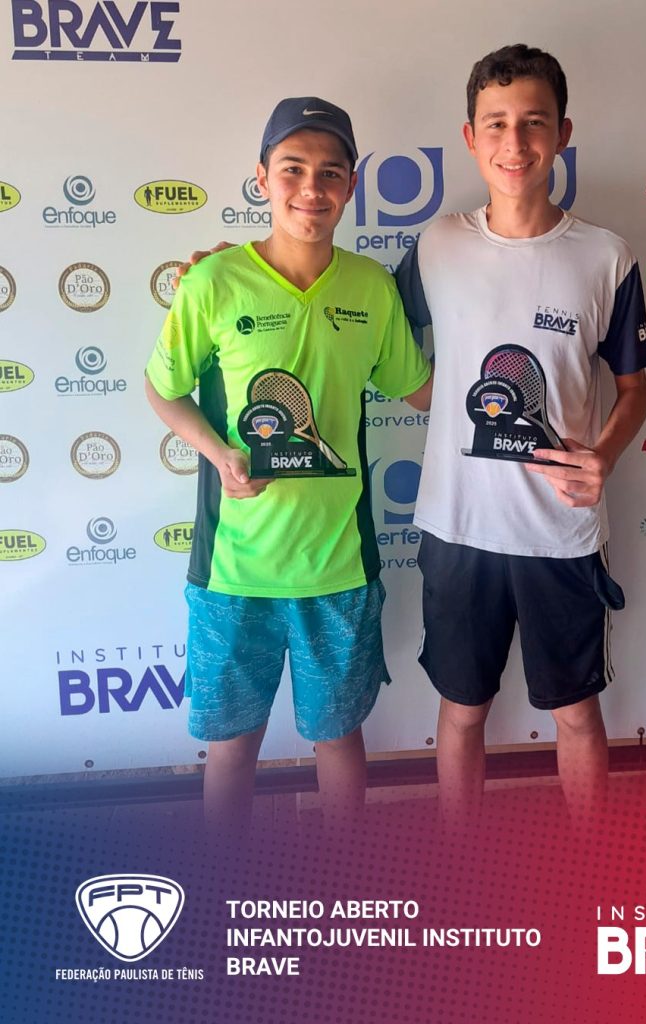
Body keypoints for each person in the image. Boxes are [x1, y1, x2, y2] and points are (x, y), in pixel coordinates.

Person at [145, 97, 432, 834]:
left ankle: (345, 877)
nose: (312, 188)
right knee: (231, 747)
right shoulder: (212, 282)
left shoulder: (371, 286)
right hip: (232, 570)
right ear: (262, 178)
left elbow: (419, 388)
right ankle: (225, 880)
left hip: (337, 564)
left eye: (330, 172)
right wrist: (219, 454)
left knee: (337, 738)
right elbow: (162, 388)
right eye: (293, 169)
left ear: (352, 184)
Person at [394, 44, 646, 825]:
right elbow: (361, 333)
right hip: (457, 529)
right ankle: (462, 864)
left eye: (534, 122)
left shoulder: (605, 256)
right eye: (496, 124)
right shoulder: (435, 245)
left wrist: (602, 455)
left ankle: (591, 868)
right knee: (461, 712)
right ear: (469, 137)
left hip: (559, 534)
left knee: (575, 714)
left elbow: (635, 390)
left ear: (562, 133)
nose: (515, 143)